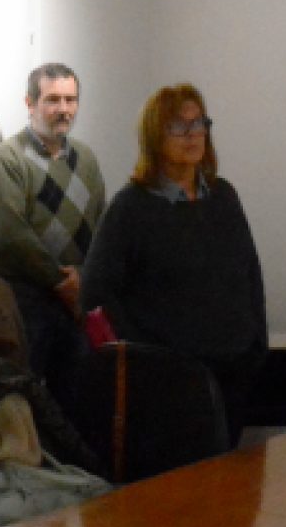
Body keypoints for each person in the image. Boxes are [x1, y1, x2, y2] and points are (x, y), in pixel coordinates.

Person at [81, 83, 267, 445]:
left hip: (234, 367)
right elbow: (95, 293)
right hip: (170, 380)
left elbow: (249, 272)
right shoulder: (131, 207)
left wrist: (256, 341)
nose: (192, 135)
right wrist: (146, 356)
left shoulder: (224, 196)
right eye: (179, 126)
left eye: (199, 124)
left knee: (232, 472)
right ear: (155, 137)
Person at [0, 62, 106, 414]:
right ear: (30, 103)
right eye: (53, 100)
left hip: (75, 301)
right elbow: (12, 236)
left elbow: (100, 225)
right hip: (27, 299)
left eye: (70, 100)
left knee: (75, 402)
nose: (64, 109)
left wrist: (85, 279)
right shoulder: (8, 159)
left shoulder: (86, 158)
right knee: (24, 401)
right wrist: (62, 282)